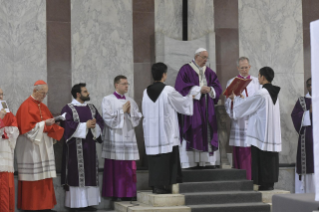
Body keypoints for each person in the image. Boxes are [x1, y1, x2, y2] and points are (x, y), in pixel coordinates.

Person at [142, 62, 193, 194]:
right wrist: (190, 97)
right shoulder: (168, 90)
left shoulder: (145, 92)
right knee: (167, 157)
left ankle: (156, 185)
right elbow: (182, 104)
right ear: (164, 75)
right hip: (166, 132)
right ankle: (166, 184)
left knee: (155, 159)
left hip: (151, 134)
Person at [229, 67, 281, 190]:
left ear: (263, 77)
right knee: (270, 159)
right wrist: (243, 99)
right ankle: (270, 183)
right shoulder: (274, 93)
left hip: (261, 132)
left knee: (261, 158)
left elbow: (248, 106)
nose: (258, 78)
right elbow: (253, 104)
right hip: (272, 133)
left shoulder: (262, 93)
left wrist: (236, 98)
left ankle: (263, 183)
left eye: (258, 76)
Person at [16, 80, 64, 212]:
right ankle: (32, 206)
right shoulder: (26, 106)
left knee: (45, 177)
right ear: (35, 91)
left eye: (46, 94)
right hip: (31, 149)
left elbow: (47, 124)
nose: (44, 96)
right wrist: (44, 124)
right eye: (42, 93)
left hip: (43, 147)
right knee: (34, 177)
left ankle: (45, 206)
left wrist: (54, 125)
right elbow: (27, 130)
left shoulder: (43, 107)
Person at [175, 48, 222, 168]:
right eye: (204, 57)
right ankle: (190, 162)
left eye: (207, 57)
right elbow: (180, 88)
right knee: (193, 131)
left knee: (208, 132)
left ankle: (207, 162)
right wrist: (198, 90)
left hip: (207, 109)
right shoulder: (185, 70)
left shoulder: (209, 72)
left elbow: (217, 88)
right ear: (197, 57)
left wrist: (211, 90)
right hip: (193, 109)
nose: (206, 60)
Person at [61, 83, 104, 211]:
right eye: (85, 91)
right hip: (75, 149)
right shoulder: (68, 108)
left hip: (90, 147)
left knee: (89, 173)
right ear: (78, 94)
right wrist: (85, 125)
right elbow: (66, 126)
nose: (88, 93)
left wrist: (94, 125)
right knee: (77, 173)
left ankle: (89, 203)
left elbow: (100, 122)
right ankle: (77, 204)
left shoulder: (91, 108)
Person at [101, 75, 142, 201]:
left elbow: (137, 117)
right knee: (117, 167)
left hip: (128, 137)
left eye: (127, 83)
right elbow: (107, 119)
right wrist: (121, 110)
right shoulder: (107, 100)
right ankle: (117, 194)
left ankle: (129, 194)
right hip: (116, 138)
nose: (126, 86)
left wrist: (130, 112)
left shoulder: (131, 100)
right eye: (124, 83)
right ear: (116, 85)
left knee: (128, 167)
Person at [225, 57, 260, 179]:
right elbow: (227, 103)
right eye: (242, 68)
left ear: (249, 67)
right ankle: (239, 179)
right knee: (239, 150)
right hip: (238, 122)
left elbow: (258, 101)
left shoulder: (256, 82)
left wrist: (246, 101)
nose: (244, 70)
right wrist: (232, 100)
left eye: (246, 67)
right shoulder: (231, 82)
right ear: (237, 68)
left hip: (251, 120)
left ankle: (250, 178)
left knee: (249, 151)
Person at [291, 77, 315, 193]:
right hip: (307, 141)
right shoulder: (302, 101)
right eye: (309, 85)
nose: (311, 87)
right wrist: (308, 113)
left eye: (313, 85)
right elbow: (295, 116)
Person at [0, 88, 19, 212]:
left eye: (1, 94)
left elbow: (15, 129)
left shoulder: (8, 112)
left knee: (5, 187)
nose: (1, 97)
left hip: (4, 151)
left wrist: (5, 131)